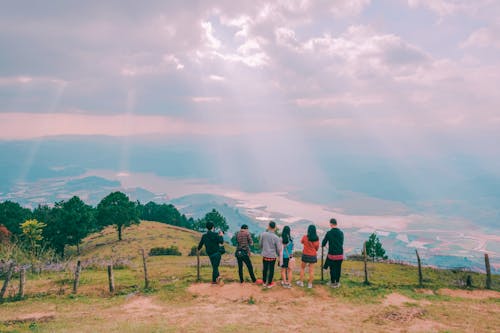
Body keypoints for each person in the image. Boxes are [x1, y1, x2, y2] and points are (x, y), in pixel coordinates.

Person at [322, 218, 344, 288]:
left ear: (331, 224)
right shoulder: (341, 233)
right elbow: (341, 243)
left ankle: (332, 282)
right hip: (340, 254)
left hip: (332, 255)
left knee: (332, 269)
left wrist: (325, 246)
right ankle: (337, 282)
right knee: (338, 268)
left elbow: (323, 243)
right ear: (336, 224)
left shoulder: (329, 233)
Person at [296, 224, 320, 289]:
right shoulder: (316, 239)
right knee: (311, 270)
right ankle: (310, 284)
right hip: (312, 255)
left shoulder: (305, 237)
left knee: (302, 268)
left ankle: (301, 282)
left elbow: (302, 242)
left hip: (305, 255)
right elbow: (317, 248)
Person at [259, 221, 281, 288]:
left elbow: (260, 245)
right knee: (271, 270)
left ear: (268, 226)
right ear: (275, 228)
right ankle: (269, 283)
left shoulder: (263, 234)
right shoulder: (276, 237)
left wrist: (264, 249)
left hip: (265, 255)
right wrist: (279, 256)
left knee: (265, 269)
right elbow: (278, 248)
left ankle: (264, 282)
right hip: (272, 256)